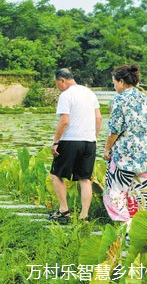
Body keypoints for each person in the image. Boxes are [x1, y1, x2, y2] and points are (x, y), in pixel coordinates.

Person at [103, 64, 147, 227]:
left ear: (121, 81)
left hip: (124, 158)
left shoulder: (120, 99)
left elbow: (114, 129)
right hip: (145, 158)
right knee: (139, 196)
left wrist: (107, 149)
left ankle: (123, 227)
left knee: (115, 194)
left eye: (114, 82)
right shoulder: (146, 99)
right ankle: (135, 230)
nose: (114, 86)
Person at [47, 68, 102, 222]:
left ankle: (64, 211)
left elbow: (64, 120)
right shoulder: (89, 93)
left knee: (56, 175)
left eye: (57, 83)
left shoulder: (66, 95)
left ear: (62, 80)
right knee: (85, 179)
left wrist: (56, 142)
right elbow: (98, 118)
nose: (58, 86)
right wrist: (93, 136)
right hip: (89, 141)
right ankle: (84, 216)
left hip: (70, 140)